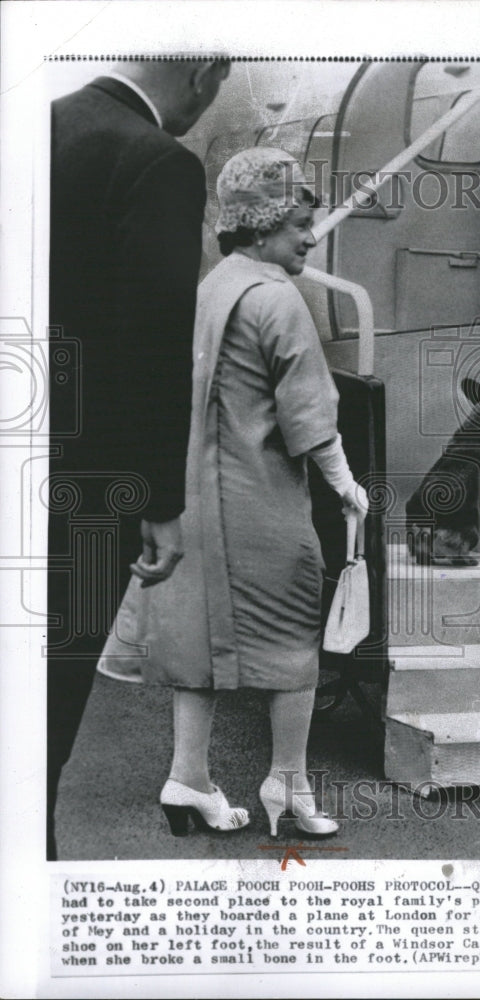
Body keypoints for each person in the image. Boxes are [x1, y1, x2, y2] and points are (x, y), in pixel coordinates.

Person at [99, 147, 368, 839]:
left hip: (195, 500)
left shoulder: (213, 286)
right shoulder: (278, 296)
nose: (312, 237)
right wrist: (345, 486)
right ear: (262, 226)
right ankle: (290, 784)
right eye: (301, 225)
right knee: (292, 643)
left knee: (197, 642)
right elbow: (307, 410)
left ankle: (187, 779)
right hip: (260, 502)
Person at [48, 59, 231, 860]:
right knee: (43, 710)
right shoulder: (157, 161)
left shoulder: (36, 124)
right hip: (84, 490)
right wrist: (159, 499)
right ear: (205, 70)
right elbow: (154, 344)